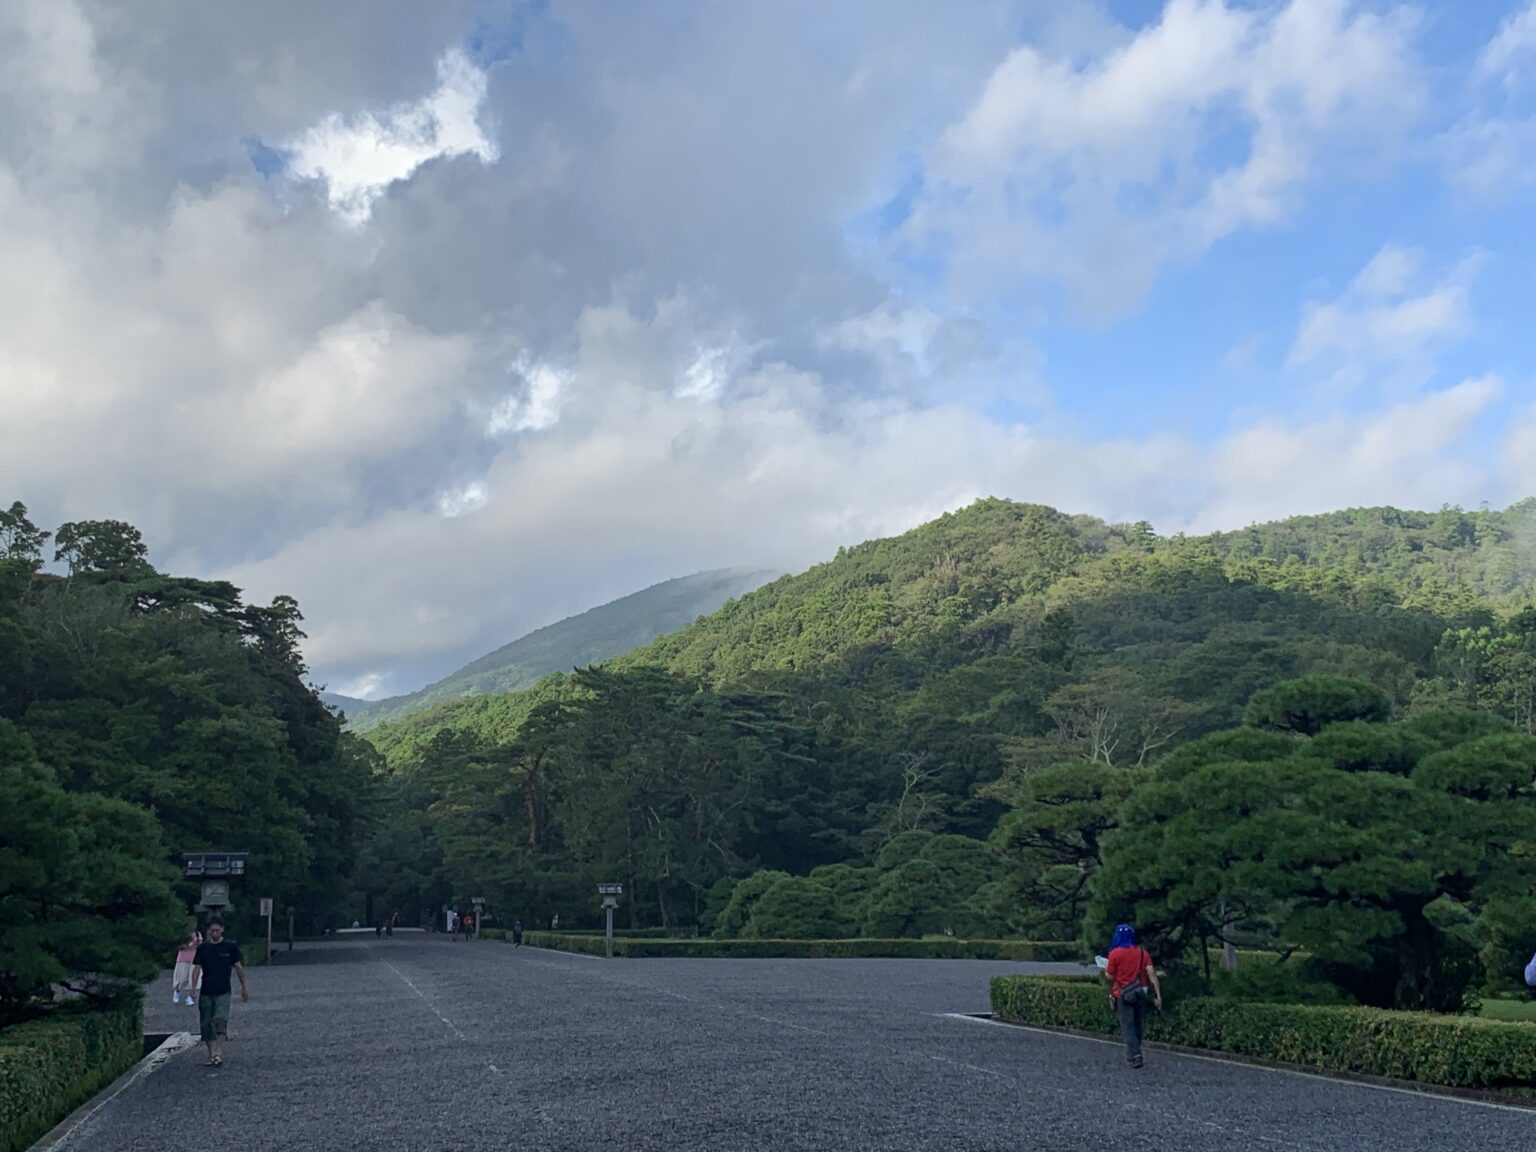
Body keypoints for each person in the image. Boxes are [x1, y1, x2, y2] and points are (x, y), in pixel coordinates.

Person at [191, 919, 248, 1068]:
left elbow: (238, 966)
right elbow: (197, 968)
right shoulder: (203, 948)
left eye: (217, 930)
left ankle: (218, 1052)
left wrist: (243, 986)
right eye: (212, 930)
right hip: (206, 990)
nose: (215, 933)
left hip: (223, 990)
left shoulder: (230, 947)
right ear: (209, 931)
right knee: (206, 1023)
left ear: (222, 929)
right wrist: (192, 987)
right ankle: (211, 1054)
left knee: (220, 1019)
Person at [1103, 923, 1162, 1069]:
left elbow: (1109, 976)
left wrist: (1107, 970)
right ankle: (1134, 1052)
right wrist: (1158, 995)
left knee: (1128, 1025)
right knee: (1137, 1024)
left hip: (1122, 993)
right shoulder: (1143, 953)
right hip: (1141, 991)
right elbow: (1151, 974)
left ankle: (1135, 1055)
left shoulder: (1115, 954)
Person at [172, 930, 202, 1004]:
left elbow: (200, 945)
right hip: (182, 959)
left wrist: (196, 944)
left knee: (191, 979)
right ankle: (177, 991)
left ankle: (189, 997)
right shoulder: (182, 933)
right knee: (181, 979)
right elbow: (178, 946)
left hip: (193, 958)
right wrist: (188, 945)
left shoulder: (197, 934)